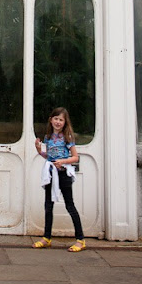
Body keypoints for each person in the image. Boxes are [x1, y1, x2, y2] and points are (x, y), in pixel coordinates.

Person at [33, 107, 86, 252]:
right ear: (51, 120)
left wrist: (62, 162)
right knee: (48, 206)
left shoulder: (67, 137)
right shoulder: (48, 137)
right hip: (50, 173)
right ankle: (46, 238)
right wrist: (39, 150)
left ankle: (80, 239)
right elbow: (49, 156)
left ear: (65, 122)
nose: (58, 122)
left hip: (63, 174)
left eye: (61, 120)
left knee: (70, 205)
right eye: (56, 119)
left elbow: (75, 157)